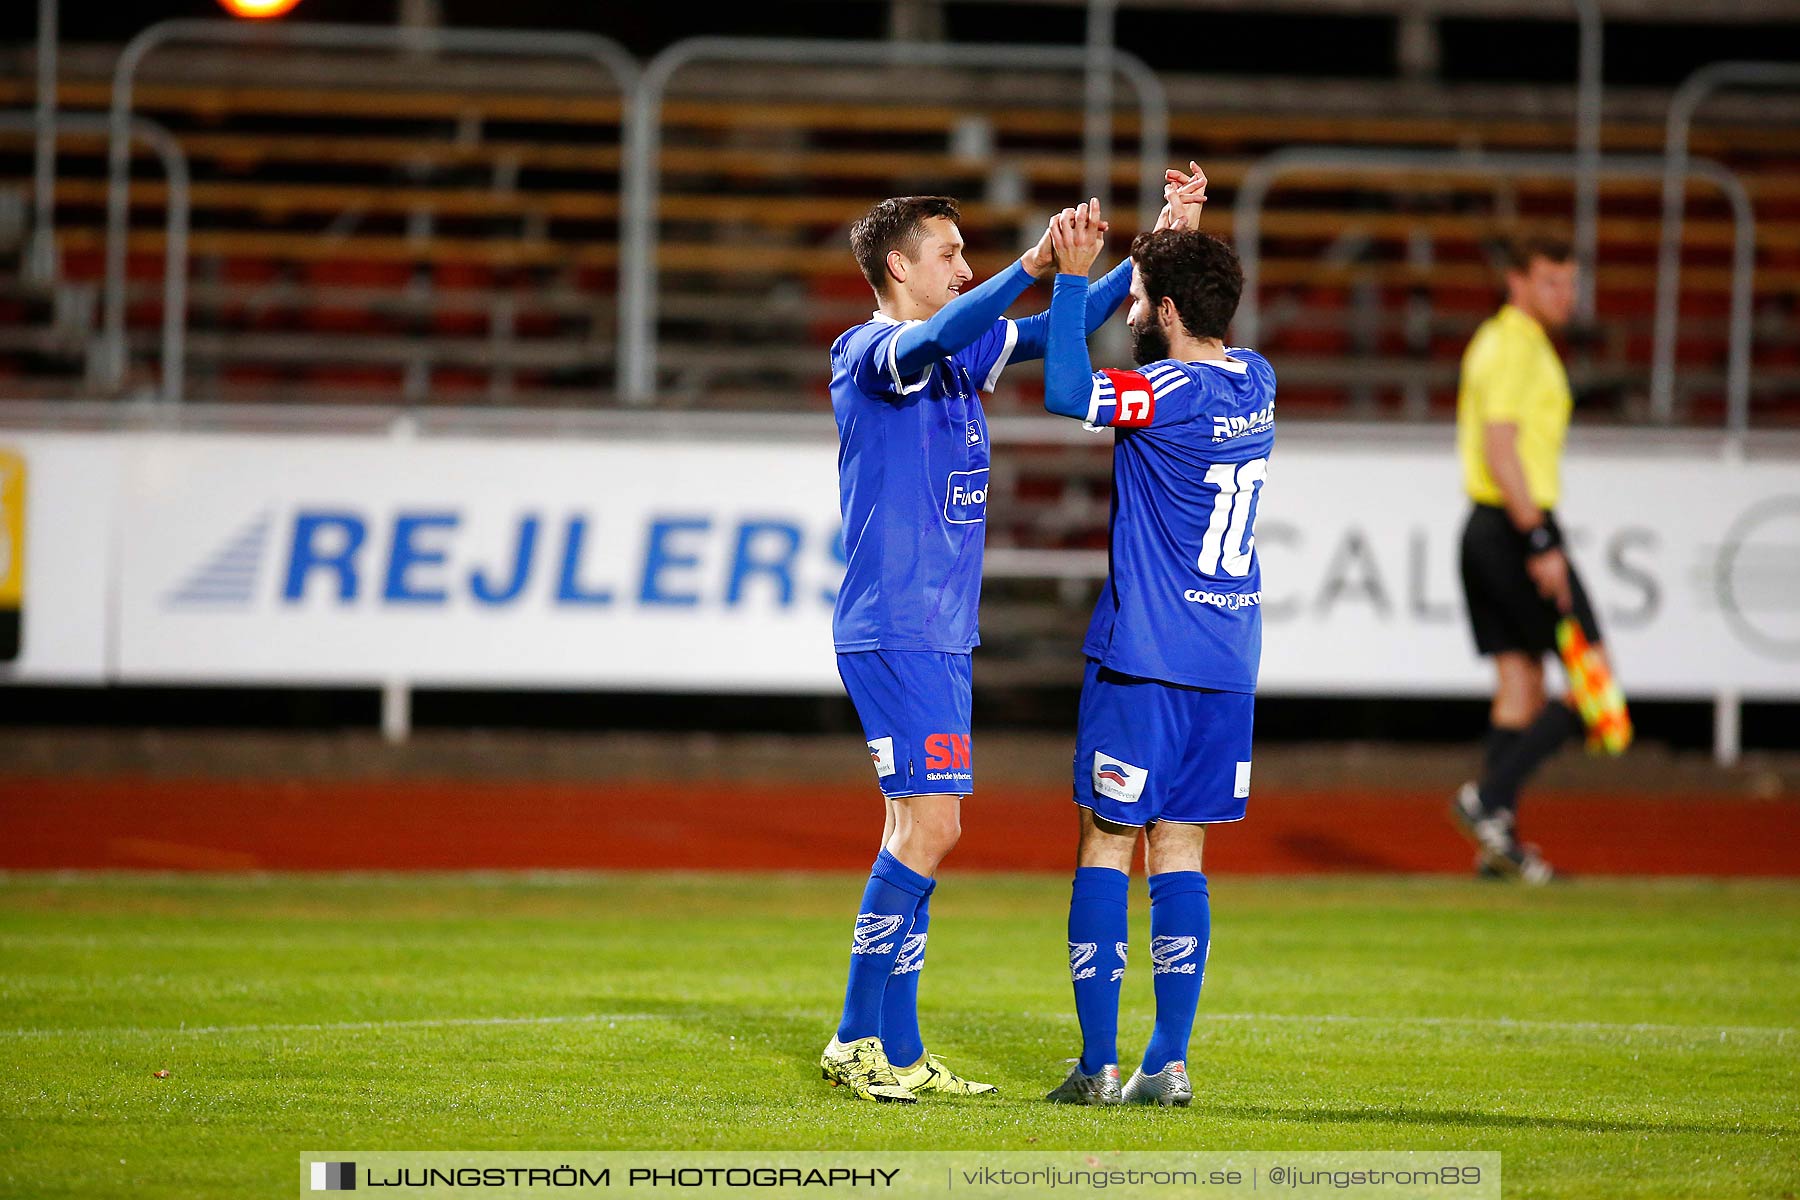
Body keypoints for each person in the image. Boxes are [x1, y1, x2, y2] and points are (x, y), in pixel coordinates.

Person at [819, 179, 1204, 1104]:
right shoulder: (871, 351)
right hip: (898, 627)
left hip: (938, 631)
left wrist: (1153, 247)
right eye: (948, 254)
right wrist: (1032, 266)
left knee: (914, 831)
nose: (962, 267)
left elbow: (1054, 328)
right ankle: (851, 1037)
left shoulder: (957, 348)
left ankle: (897, 1050)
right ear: (897, 266)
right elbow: (945, 334)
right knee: (936, 828)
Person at [1035, 179, 1275, 1107]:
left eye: (1139, 302)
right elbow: (1190, 312)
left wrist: (1072, 278)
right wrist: (1174, 239)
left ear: (1167, 313)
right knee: (1182, 850)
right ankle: (1166, 1063)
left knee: (1106, 842)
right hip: (1227, 661)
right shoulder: (1255, 378)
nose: (1128, 311)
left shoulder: (1164, 389)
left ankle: (1098, 1066)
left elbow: (1066, 389)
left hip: (1147, 658)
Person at [1449, 234, 1608, 885]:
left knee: (1520, 685)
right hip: (1517, 527)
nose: (1564, 295)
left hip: (1487, 528)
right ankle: (1487, 802)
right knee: (1590, 681)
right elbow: (1501, 448)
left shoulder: (1504, 341)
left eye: (1569, 282)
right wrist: (1540, 541)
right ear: (1517, 281)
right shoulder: (1515, 345)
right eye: (1551, 281)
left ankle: (1497, 848)